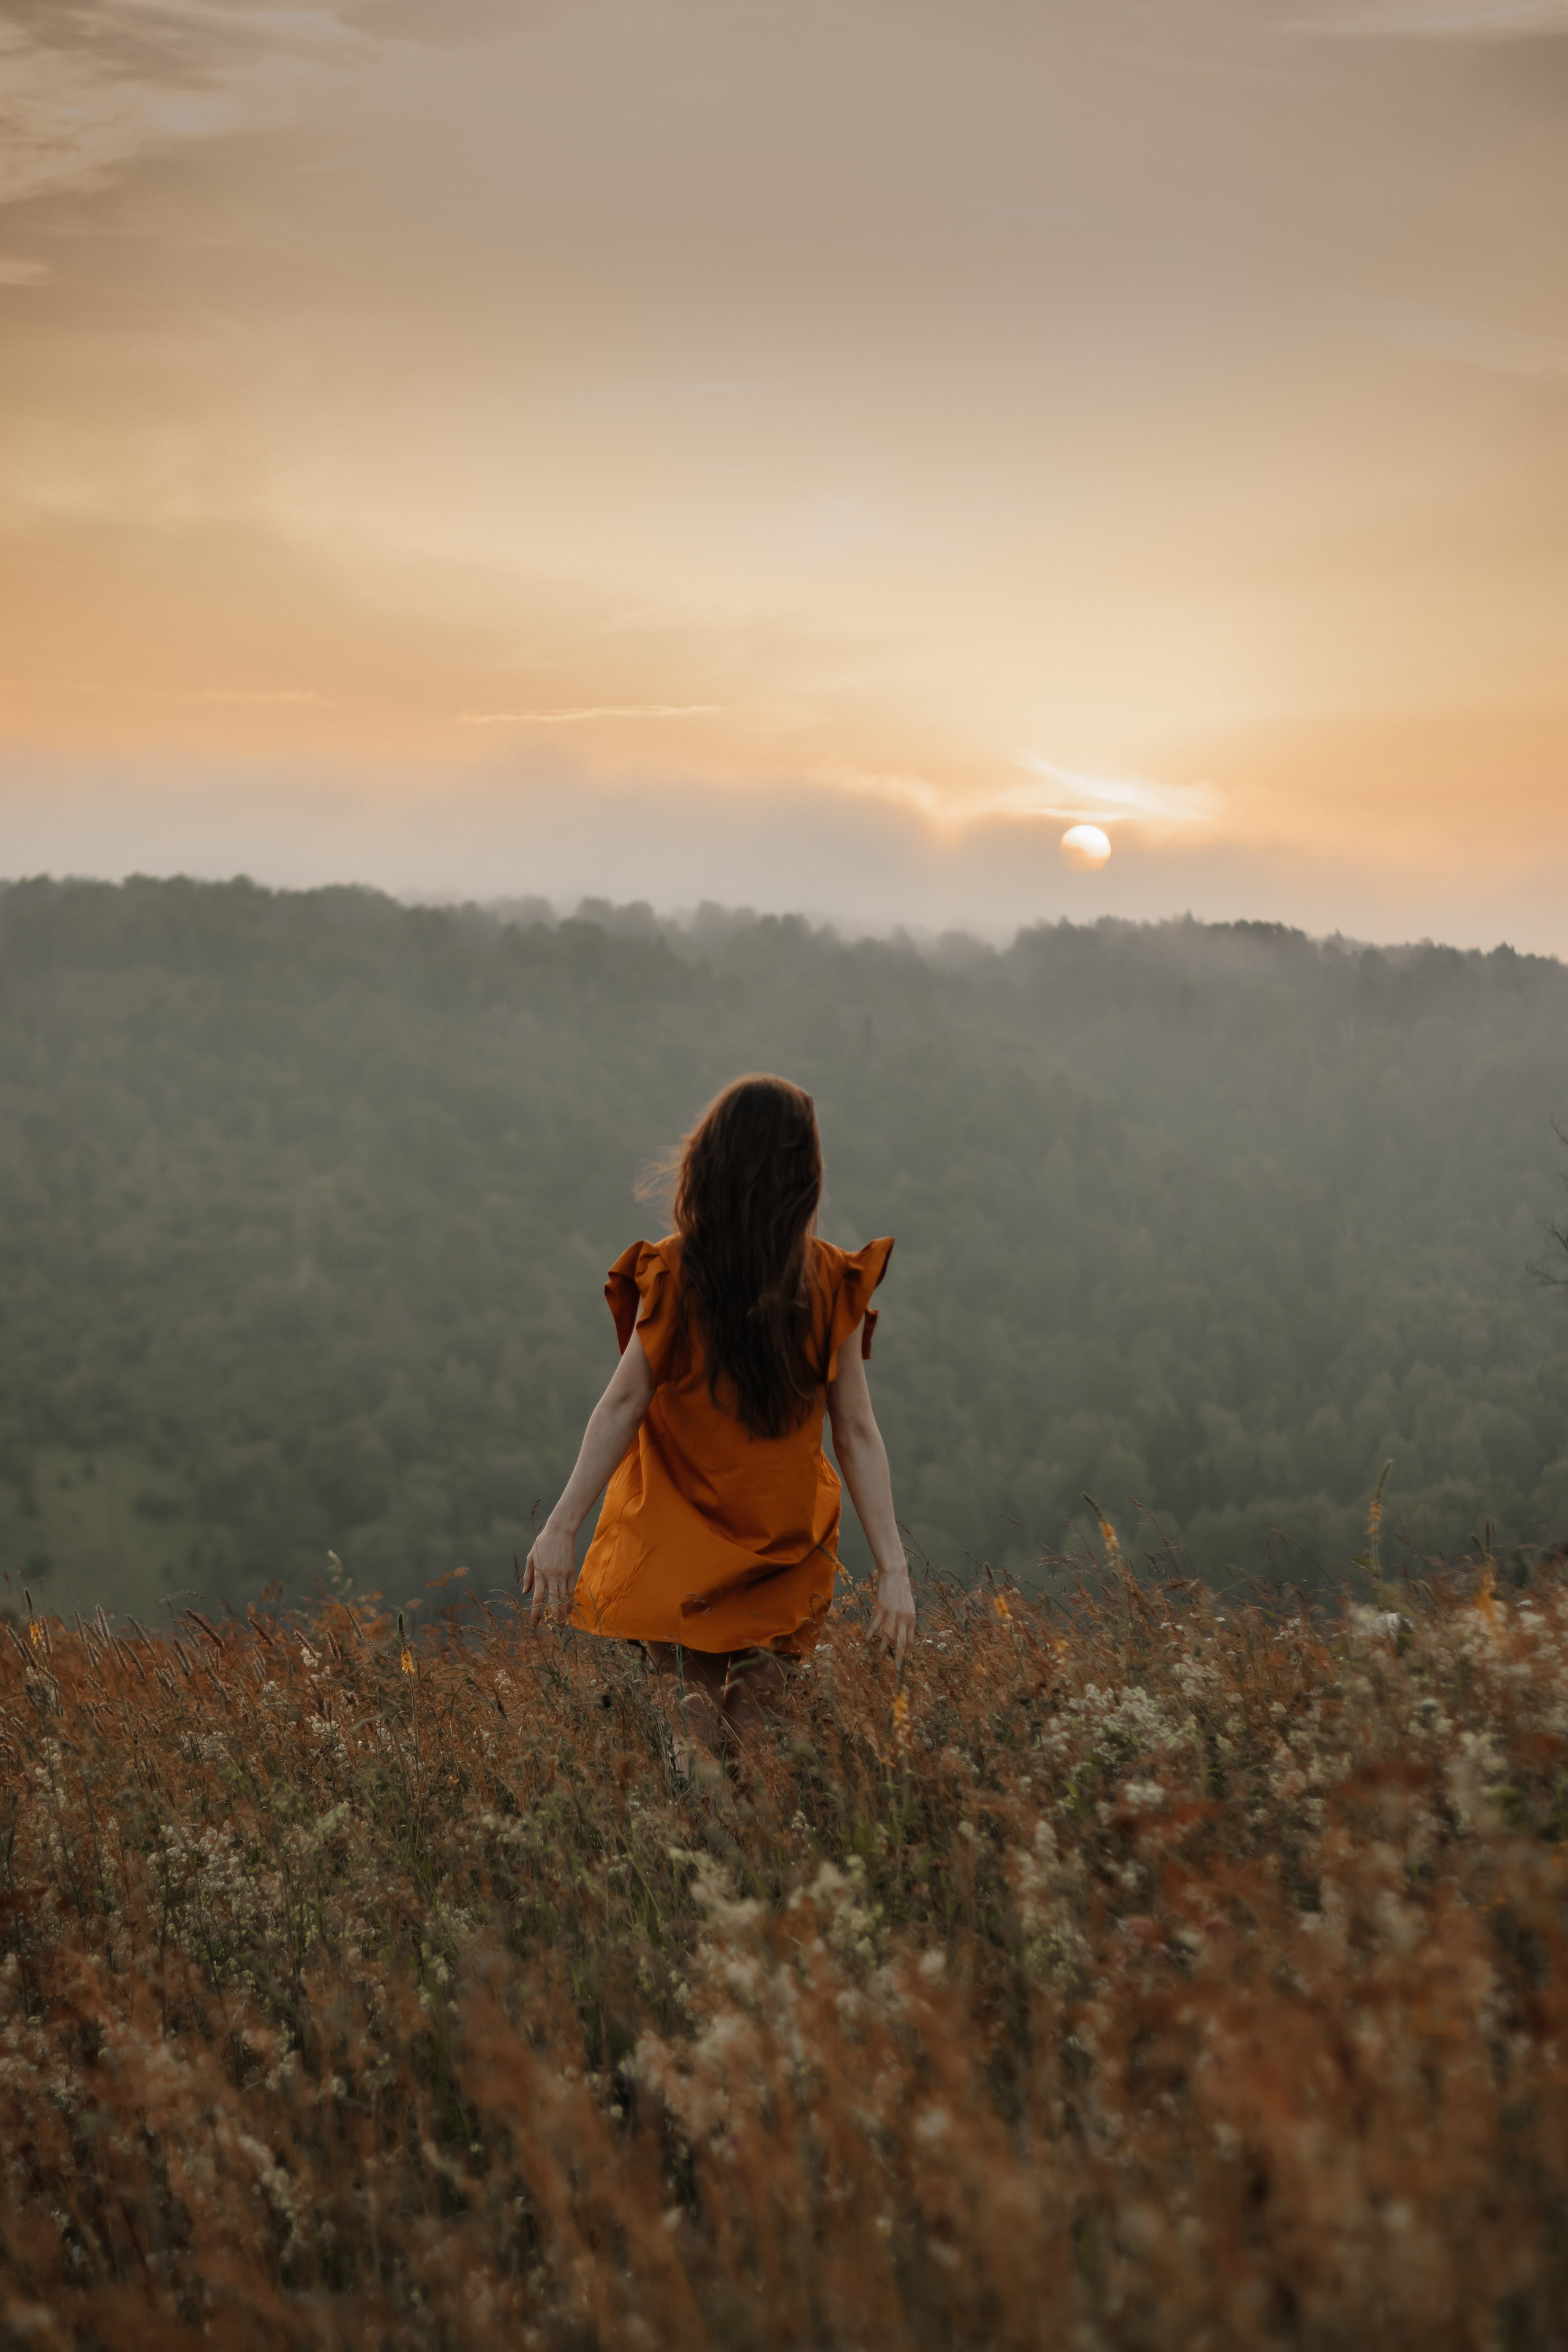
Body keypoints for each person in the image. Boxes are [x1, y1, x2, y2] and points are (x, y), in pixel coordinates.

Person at [522, 1072, 914, 1777]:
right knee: (760, 1755)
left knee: (696, 1750)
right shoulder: (827, 1281)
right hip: (783, 1547)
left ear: (711, 1164)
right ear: (803, 1175)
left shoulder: (677, 1272)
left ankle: (708, 1876)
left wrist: (561, 1526)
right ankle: (752, 1878)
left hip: (680, 1540)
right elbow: (855, 1432)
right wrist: (893, 1568)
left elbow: (622, 1404)